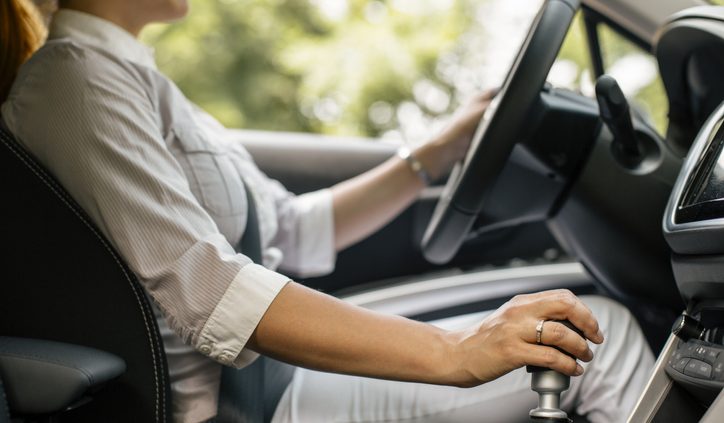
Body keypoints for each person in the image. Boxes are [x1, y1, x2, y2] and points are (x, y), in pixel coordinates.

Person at [0, 0, 655, 422]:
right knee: (604, 339)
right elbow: (212, 290)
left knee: (586, 327)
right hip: (243, 408)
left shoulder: (129, 76)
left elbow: (289, 227)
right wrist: (456, 351)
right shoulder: (75, 82)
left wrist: (438, 150)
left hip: (272, 385)